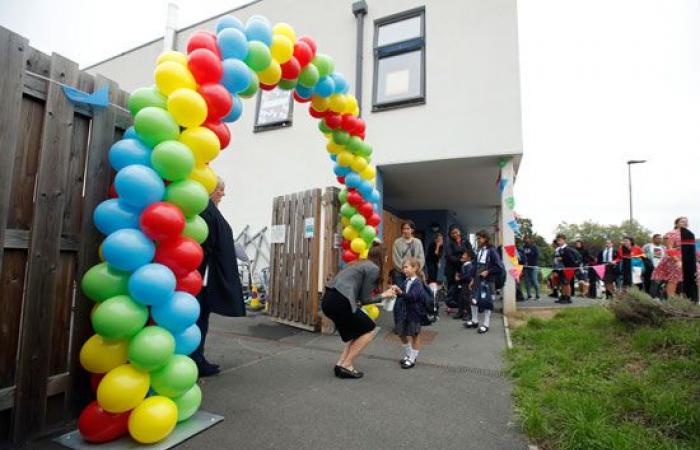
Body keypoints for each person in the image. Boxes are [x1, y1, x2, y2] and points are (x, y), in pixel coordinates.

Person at [194, 177, 246, 376]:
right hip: (201, 275)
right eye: (219, 189)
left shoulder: (208, 209)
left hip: (203, 274)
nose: (223, 193)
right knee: (198, 318)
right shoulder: (206, 210)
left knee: (201, 317)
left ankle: (197, 358)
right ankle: (196, 359)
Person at [321, 243, 394, 379]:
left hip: (328, 299)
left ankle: (341, 364)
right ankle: (346, 364)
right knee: (370, 329)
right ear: (382, 256)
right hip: (340, 301)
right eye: (386, 255)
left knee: (358, 331)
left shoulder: (360, 264)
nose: (387, 258)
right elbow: (365, 300)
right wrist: (384, 295)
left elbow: (358, 297)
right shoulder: (373, 268)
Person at [391, 257, 431, 369]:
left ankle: (412, 358)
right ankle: (409, 354)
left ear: (415, 268)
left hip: (414, 313)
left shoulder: (417, 282)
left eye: (406, 267)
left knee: (415, 335)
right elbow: (404, 295)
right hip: (404, 312)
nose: (404, 269)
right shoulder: (407, 280)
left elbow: (413, 297)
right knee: (401, 333)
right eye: (403, 267)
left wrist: (400, 292)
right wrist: (397, 291)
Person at [463, 230, 503, 334]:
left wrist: (488, 271)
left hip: (488, 281)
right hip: (477, 279)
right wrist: (471, 279)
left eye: (479, 238)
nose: (478, 240)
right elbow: (475, 267)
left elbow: (499, 268)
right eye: (477, 238)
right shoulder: (479, 251)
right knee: (473, 299)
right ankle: (474, 320)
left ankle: (486, 324)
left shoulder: (492, 252)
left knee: (486, 302)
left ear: (485, 239)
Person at [652, 217, 687, 298]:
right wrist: (677, 260)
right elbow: (669, 248)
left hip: (683, 259)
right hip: (673, 259)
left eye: (686, 222)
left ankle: (674, 299)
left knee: (679, 281)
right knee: (672, 280)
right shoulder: (671, 233)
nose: (685, 223)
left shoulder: (687, 234)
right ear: (676, 223)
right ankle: (669, 299)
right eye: (682, 221)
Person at [391, 221, 425, 286]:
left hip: (415, 272)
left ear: (412, 230)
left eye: (408, 228)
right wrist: (405, 270)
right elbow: (396, 259)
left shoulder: (418, 242)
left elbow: (421, 258)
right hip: (400, 273)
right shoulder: (397, 242)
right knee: (401, 292)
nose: (405, 231)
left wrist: (415, 269)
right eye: (404, 229)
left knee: (414, 292)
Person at [445, 225, 474, 294]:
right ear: (450, 235)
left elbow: (471, 252)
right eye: (453, 233)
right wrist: (459, 260)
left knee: (464, 287)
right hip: (452, 268)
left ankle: (463, 302)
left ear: (459, 231)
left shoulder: (465, 241)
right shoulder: (450, 243)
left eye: (456, 232)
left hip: (464, 268)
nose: (455, 234)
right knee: (452, 288)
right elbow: (449, 256)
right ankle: (451, 303)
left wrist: (468, 258)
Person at [553, 234, 581, 304]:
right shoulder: (558, 249)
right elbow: (556, 260)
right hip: (560, 268)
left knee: (566, 283)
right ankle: (563, 296)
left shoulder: (567, 249)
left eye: (560, 240)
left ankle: (568, 298)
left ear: (564, 240)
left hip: (568, 268)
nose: (558, 241)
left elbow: (571, 260)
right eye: (557, 240)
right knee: (562, 283)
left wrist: (562, 258)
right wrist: (555, 270)